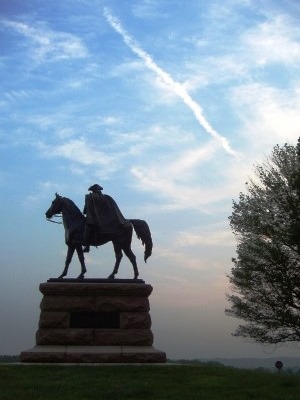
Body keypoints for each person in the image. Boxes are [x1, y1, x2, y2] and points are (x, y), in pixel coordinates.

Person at [82, 184, 128, 252]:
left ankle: (86, 244)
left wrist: (85, 212)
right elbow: (112, 208)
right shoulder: (106, 197)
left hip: (94, 219)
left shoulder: (89, 196)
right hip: (105, 219)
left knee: (87, 225)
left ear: (93, 190)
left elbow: (86, 210)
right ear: (99, 190)